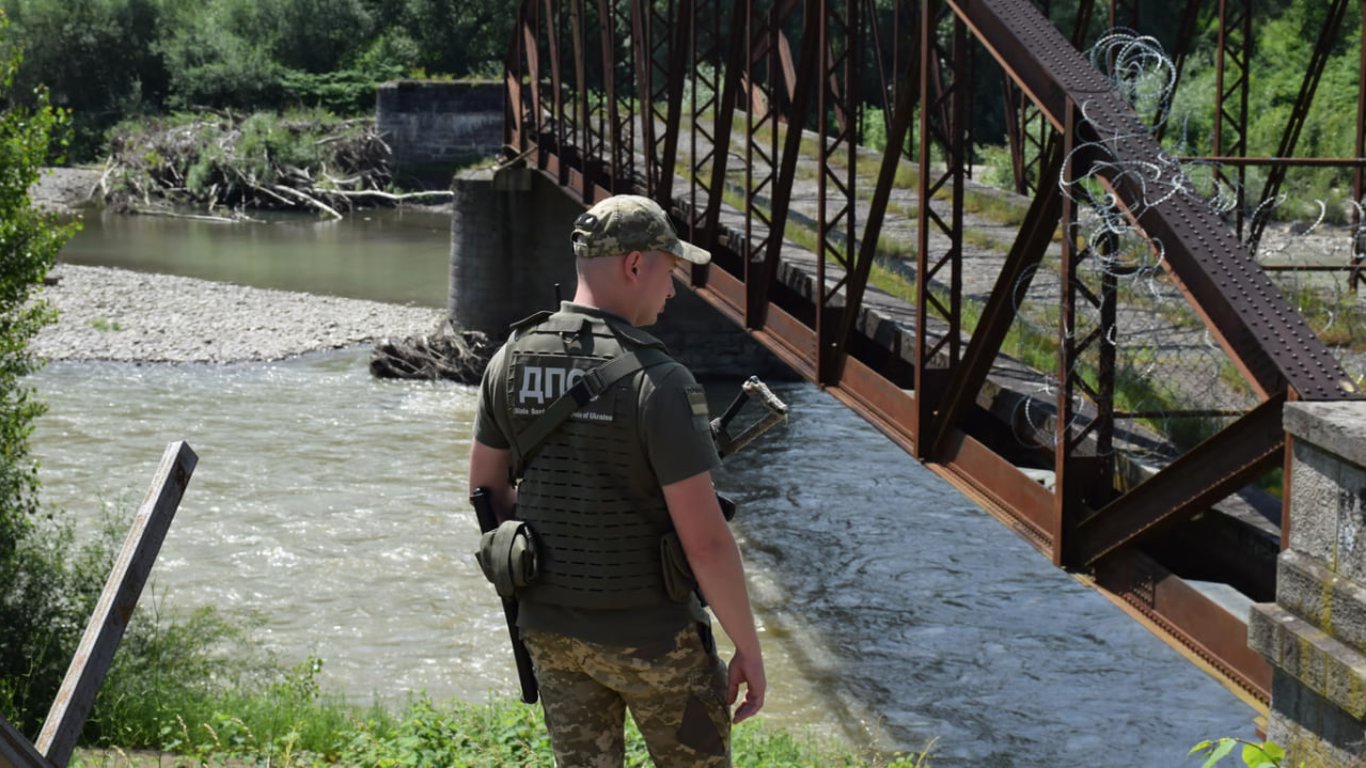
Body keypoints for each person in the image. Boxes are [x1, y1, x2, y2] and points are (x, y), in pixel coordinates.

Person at [467, 194, 765, 767]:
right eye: (669, 270)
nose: (672, 290)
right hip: (656, 639)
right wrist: (747, 650)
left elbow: (487, 493)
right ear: (635, 264)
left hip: (552, 634)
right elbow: (705, 543)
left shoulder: (510, 358)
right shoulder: (662, 382)